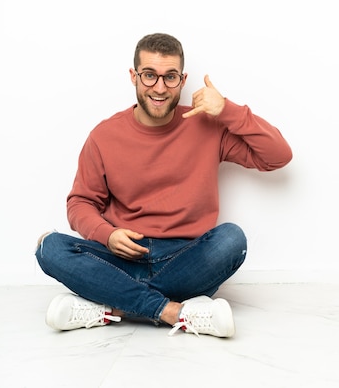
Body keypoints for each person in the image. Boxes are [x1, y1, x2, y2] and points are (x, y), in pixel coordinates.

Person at [35, 33, 292, 338]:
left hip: (185, 262)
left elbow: (278, 156)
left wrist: (227, 110)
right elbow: (80, 203)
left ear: (182, 81)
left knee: (232, 240)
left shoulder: (207, 126)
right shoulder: (104, 136)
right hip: (123, 258)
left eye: (170, 77)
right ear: (134, 76)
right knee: (48, 246)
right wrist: (108, 234)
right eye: (149, 75)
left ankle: (112, 307)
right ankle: (174, 312)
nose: (159, 87)